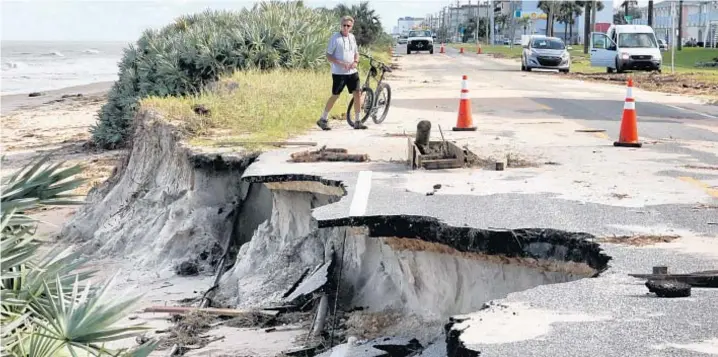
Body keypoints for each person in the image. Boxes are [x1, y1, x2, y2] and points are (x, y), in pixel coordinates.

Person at [316, 15, 366, 131]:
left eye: (348, 26)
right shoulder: (335, 38)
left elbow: (356, 52)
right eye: (344, 25)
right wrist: (340, 63)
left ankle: (358, 121)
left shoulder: (352, 37)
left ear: (351, 26)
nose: (346, 28)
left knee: (357, 93)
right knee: (335, 95)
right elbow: (328, 55)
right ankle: (323, 119)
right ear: (341, 25)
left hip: (352, 71)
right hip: (339, 73)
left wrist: (356, 62)